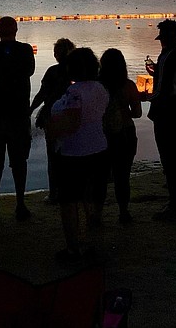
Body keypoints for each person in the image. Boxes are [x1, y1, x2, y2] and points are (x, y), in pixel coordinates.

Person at [50, 47, 109, 260]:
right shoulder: (100, 88)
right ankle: (91, 240)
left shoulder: (75, 92)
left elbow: (73, 122)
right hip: (98, 147)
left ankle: (73, 248)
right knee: (89, 196)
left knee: (68, 201)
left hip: (74, 151)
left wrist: (52, 129)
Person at [0, 17, 36, 223]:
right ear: (16, 30)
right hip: (18, 112)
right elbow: (28, 71)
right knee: (19, 160)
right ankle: (20, 204)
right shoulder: (26, 50)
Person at [144, 19, 176, 222]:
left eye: (162, 37)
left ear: (166, 37)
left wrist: (148, 97)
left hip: (168, 113)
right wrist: (157, 71)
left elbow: (168, 89)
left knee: (171, 157)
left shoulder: (173, 54)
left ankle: (175, 204)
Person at [30, 38, 76, 203]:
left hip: (52, 116)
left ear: (57, 54)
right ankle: (71, 191)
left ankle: (54, 193)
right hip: (72, 116)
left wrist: (30, 109)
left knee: (53, 156)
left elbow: (42, 94)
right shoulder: (77, 72)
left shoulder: (52, 71)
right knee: (72, 154)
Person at [98, 48, 142, 222]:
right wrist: (123, 111)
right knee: (122, 176)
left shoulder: (97, 85)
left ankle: (98, 214)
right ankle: (124, 212)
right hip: (125, 133)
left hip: (102, 134)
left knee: (100, 176)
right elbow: (137, 113)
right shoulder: (129, 85)